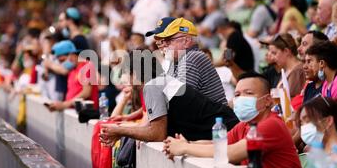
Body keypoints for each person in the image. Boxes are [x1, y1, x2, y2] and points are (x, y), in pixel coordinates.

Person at [163, 72, 308, 168]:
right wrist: (187, 143)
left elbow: (230, 153)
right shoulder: (244, 125)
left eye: (249, 93)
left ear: (268, 101)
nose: (241, 98)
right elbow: (217, 144)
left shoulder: (271, 125)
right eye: (237, 95)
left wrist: (184, 149)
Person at [99, 50, 239, 144]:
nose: (124, 77)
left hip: (227, 133)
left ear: (135, 72)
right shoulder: (160, 81)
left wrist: (120, 130)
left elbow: (157, 134)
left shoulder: (153, 86)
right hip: (228, 128)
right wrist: (122, 130)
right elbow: (148, 125)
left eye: (126, 72)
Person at [146, 17, 228, 105]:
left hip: (215, 118)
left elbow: (175, 101)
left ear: (186, 41)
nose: (163, 45)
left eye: (168, 40)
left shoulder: (192, 58)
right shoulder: (177, 61)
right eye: (160, 41)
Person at [295, 96, 337, 168]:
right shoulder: (324, 152)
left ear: (328, 121)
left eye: (307, 120)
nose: (304, 127)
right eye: (301, 123)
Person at [46, 40, 99, 111]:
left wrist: (64, 104)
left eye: (62, 60)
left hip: (86, 113)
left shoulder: (86, 66)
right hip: (73, 111)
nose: (62, 64)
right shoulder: (73, 69)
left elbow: (86, 93)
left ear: (71, 54)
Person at [268, 33, 305, 98]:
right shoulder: (285, 70)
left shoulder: (298, 71)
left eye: (274, 53)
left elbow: (294, 98)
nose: (272, 58)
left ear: (286, 51)